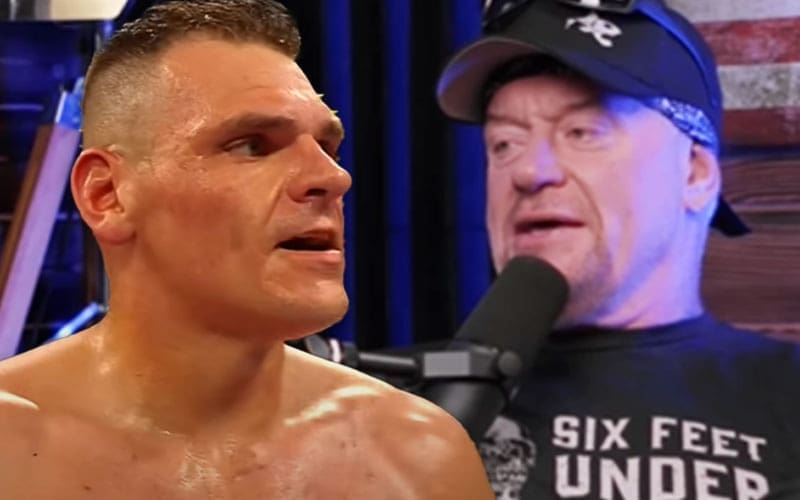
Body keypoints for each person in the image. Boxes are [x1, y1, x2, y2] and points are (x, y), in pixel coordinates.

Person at [0, 1, 495, 499]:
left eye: (328, 148)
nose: (332, 177)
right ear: (107, 194)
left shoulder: (419, 460)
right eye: (252, 145)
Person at [436, 0, 800, 498]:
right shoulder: (396, 406)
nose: (528, 171)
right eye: (504, 144)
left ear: (695, 174)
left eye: (583, 132)